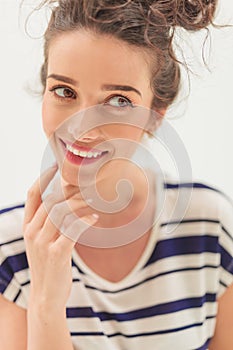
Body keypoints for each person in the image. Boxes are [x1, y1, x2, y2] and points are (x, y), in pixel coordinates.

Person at [0, 0, 233, 349]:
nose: (82, 126)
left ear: (156, 115)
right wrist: (46, 304)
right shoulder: (11, 250)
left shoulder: (208, 226)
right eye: (64, 91)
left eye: (118, 100)